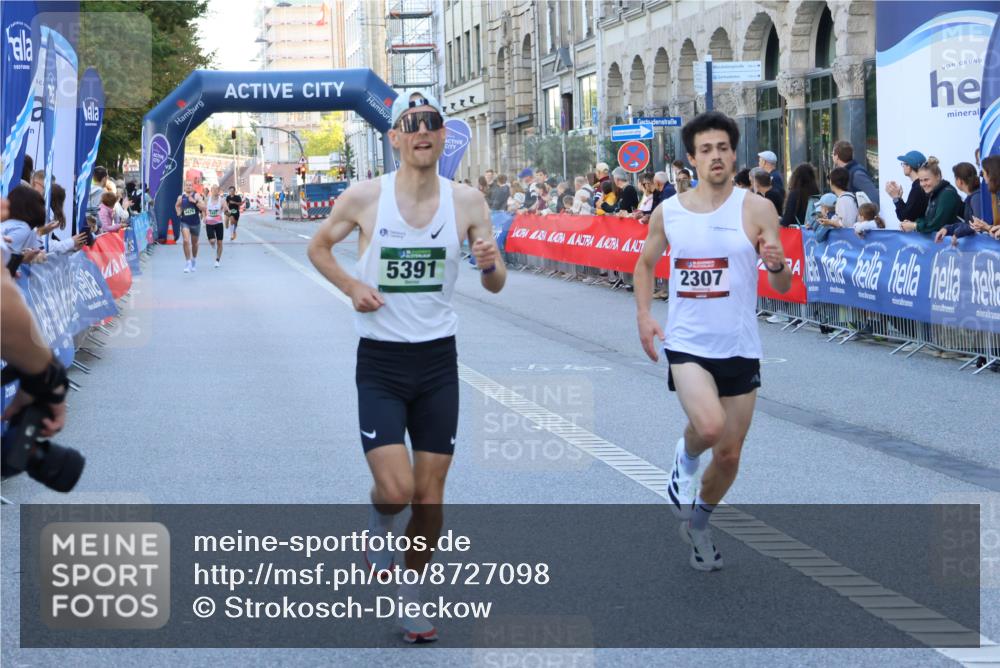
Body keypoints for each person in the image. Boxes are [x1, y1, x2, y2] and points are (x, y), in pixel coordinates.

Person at [307, 90, 506, 644]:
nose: (422, 131)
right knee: (394, 490)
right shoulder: (366, 197)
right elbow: (319, 248)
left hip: (439, 361)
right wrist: (352, 286)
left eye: (432, 124)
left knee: (430, 496)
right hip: (382, 362)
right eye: (410, 125)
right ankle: (379, 518)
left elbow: (496, 280)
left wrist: (491, 266)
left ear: (444, 138)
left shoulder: (466, 201)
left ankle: (412, 593)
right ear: (394, 139)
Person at [632, 111, 791, 572]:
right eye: (706, 149)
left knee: (730, 453)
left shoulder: (757, 209)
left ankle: (699, 525)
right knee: (707, 428)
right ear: (692, 158)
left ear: (733, 153)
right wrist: (644, 316)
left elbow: (780, 286)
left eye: (722, 147)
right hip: (688, 344)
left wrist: (777, 264)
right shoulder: (671, 211)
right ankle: (683, 458)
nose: (715, 156)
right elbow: (645, 265)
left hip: (740, 345)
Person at [899, 157, 962, 235]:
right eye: (921, 181)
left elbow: (937, 225)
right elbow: (928, 220)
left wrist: (914, 225)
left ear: (938, 176)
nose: (923, 184)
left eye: (926, 180)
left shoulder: (947, 194)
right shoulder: (935, 193)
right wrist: (914, 223)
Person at [885, 150, 929, 224]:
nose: (902, 166)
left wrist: (895, 198)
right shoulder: (919, 186)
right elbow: (909, 213)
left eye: (903, 164)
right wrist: (899, 199)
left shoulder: (918, 188)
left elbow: (905, 218)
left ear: (909, 166)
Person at [832, 140, 878, 205]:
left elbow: (874, 198)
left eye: (832, 154)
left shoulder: (857, 174)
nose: (832, 156)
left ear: (836, 156)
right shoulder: (846, 172)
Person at [175, 179, 205, 272]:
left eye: (190, 185)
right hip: (185, 222)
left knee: (195, 243)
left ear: (193, 187)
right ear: (184, 187)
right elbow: (177, 205)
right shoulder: (181, 197)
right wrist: (178, 212)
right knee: (186, 240)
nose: (188, 186)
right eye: (187, 185)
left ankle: (193, 260)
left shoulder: (197, 195)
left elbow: (204, 207)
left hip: (195, 223)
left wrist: (195, 202)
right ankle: (188, 262)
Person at [780, 163, 820, 228]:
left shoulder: (794, 194)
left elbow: (787, 220)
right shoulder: (816, 193)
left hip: (797, 232)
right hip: (811, 231)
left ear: (796, 177)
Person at [204, 185, 225, 268]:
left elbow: (225, 208)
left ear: (219, 191)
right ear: (211, 191)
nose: (215, 191)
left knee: (220, 242)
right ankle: (213, 243)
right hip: (209, 223)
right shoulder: (207, 199)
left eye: (217, 189)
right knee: (212, 241)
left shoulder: (222, 200)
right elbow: (203, 209)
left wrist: (227, 212)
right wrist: (203, 216)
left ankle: (217, 260)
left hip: (219, 223)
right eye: (214, 189)